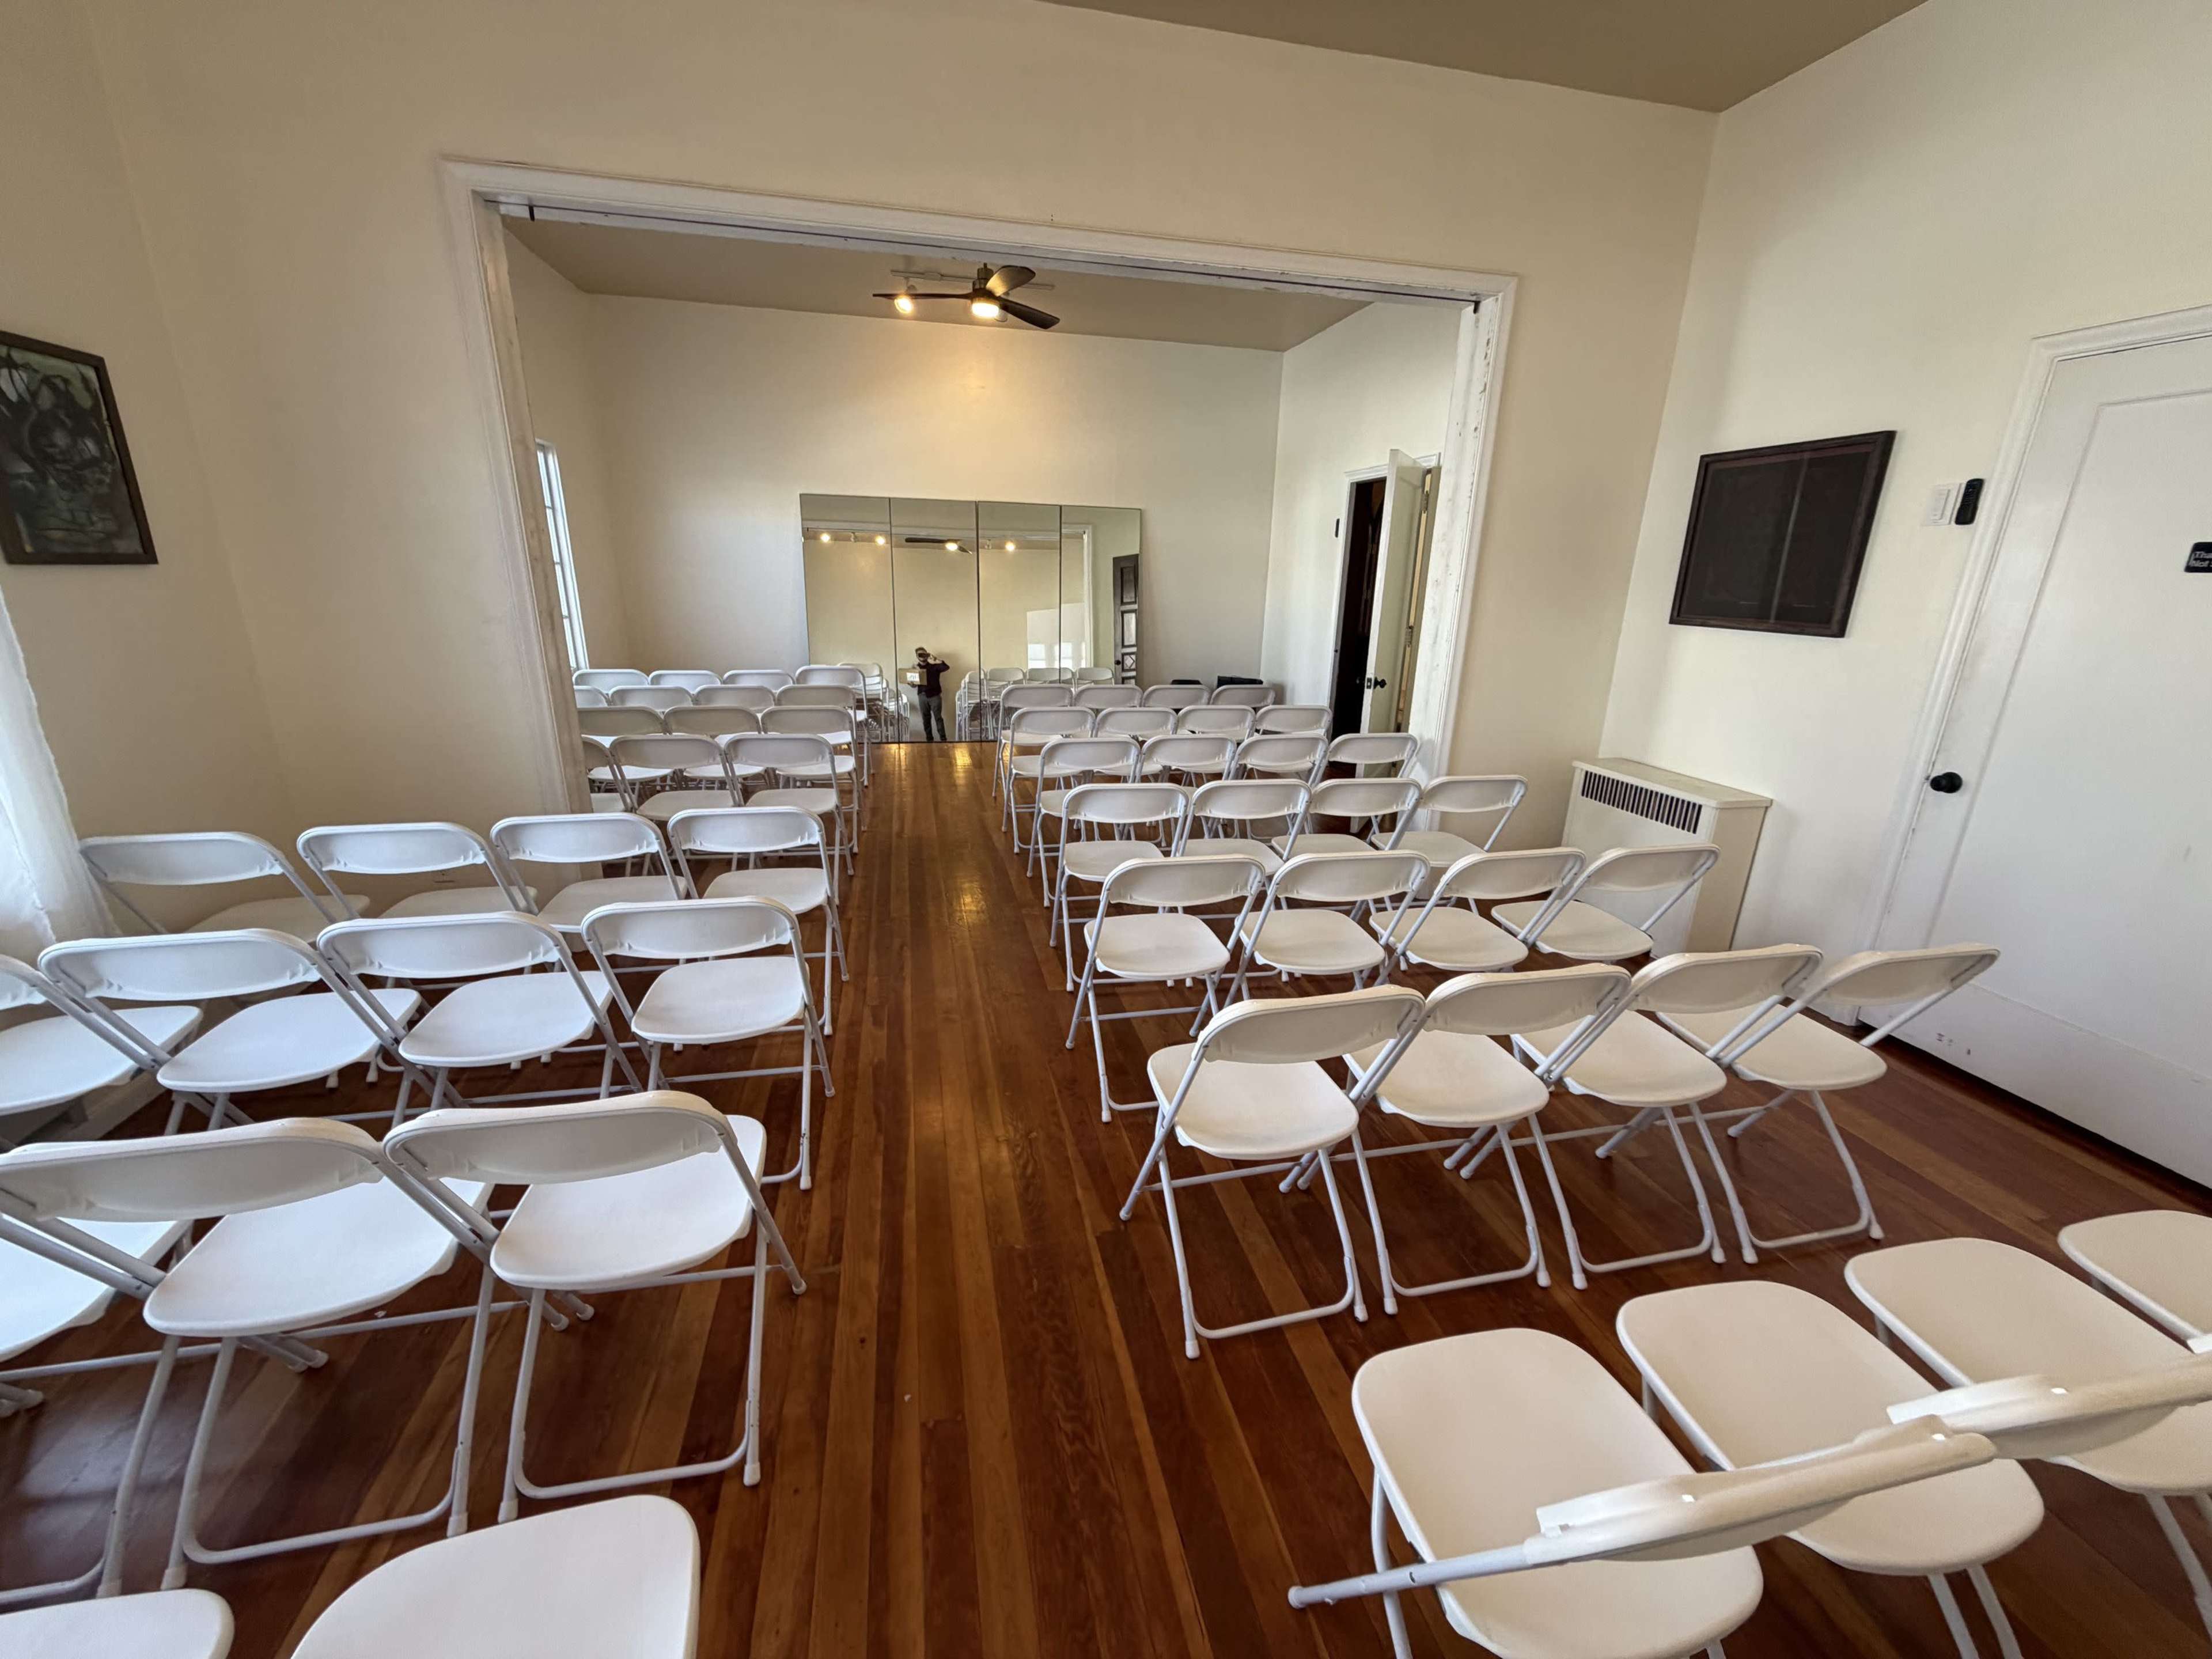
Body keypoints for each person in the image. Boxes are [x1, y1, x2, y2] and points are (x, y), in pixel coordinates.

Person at [913, 646, 950, 741]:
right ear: (917, 656)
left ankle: (943, 739)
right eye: (920, 655)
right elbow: (913, 685)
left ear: (927, 654)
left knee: (938, 718)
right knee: (926, 719)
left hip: (935, 696)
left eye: (924, 654)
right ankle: (929, 740)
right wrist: (911, 681)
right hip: (922, 696)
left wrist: (936, 659)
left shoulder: (934, 667)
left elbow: (946, 668)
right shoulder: (915, 669)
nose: (922, 656)